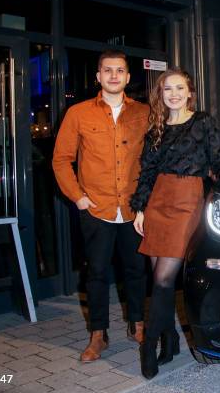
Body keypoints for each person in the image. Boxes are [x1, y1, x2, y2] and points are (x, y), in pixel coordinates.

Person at [130, 67, 220, 379]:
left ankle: (149, 343)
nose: (174, 94)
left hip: (186, 201)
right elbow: (146, 173)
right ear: (161, 94)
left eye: (179, 88)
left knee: (165, 278)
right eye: (168, 89)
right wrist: (140, 209)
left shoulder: (202, 121)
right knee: (158, 280)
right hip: (157, 202)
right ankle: (170, 341)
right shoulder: (156, 128)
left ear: (190, 92)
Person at [52, 50, 149, 363]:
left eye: (119, 70)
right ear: (98, 76)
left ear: (128, 77)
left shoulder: (144, 113)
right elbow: (61, 159)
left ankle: (138, 325)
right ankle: (98, 334)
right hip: (96, 208)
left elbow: (154, 160)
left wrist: (147, 202)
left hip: (134, 209)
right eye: (107, 70)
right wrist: (78, 196)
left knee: (136, 270)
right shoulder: (78, 113)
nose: (113, 76)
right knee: (96, 273)